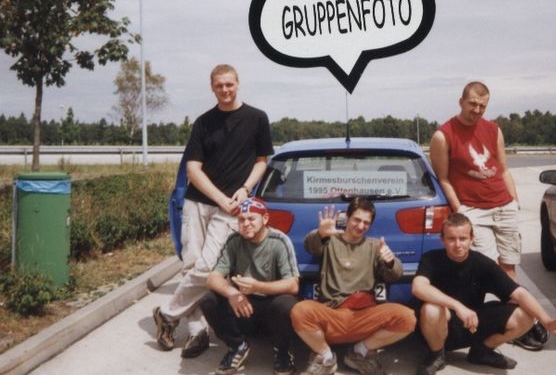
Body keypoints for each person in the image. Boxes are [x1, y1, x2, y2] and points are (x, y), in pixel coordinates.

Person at [152, 64, 274, 358]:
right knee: (192, 266)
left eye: (229, 84)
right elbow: (193, 170)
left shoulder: (257, 118)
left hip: (233, 207)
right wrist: (219, 198)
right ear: (212, 87)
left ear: (238, 84)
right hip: (199, 202)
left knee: (207, 268)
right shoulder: (203, 123)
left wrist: (245, 189)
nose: (225, 90)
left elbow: (262, 161)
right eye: (219, 85)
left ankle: (167, 314)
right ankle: (198, 332)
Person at [430, 80, 547, 350]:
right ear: (461, 102)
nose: (477, 110)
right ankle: (479, 326)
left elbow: (503, 169)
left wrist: (514, 201)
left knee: (509, 268)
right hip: (473, 210)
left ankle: (519, 322)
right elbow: (444, 178)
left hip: (503, 205)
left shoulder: (494, 130)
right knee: (487, 268)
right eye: (472, 104)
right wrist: (460, 210)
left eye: (482, 106)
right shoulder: (443, 135)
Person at [412, 213, 556, 375]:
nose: (458, 244)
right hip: (437, 328)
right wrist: (458, 306)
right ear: (442, 239)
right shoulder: (431, 258)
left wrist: (546, 321)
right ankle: (436, 355)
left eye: (463, 238)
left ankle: (482, 352)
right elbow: (418, 287)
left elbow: (519, 293)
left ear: (472, 239)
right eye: (451, 239)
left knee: (526, 315)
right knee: (431, 309)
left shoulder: (483, 263)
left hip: (472, 324)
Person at [291, 197, 416, 375]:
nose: (360, 226)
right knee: (300, 311)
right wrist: (320, 233)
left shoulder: (375, 246)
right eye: (357, 220)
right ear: (347, 217)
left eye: (366, 222)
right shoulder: (330, 241)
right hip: (332, 314)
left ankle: (359, 352)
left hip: (363, 316)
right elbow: (310, 246)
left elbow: (395, 275)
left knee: (407, 318)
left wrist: (390, 262)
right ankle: (326, 357)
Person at [200, 197, 300, 375]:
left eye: (251, 219)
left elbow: (293, 285)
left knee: (286, 304)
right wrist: (232, 293)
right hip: (244, 306)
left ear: (265, 218)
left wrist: (258, 287)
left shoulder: (279, 241)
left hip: (271, 308)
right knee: (209, 300)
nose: (246, 224)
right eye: (241, 219)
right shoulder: (234, 240)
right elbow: (212, 278)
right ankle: (238, 345)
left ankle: (282, 351)